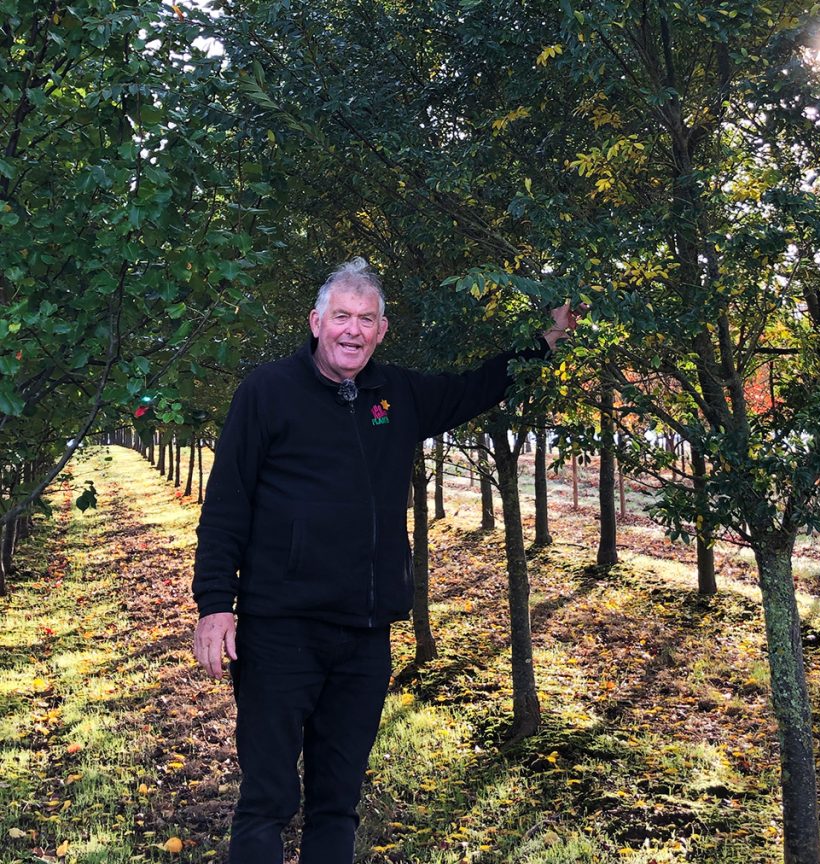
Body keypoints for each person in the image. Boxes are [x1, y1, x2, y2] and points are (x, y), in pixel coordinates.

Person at [192, 257, 576, 864]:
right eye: (341, 316)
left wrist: (546, 341)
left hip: (364, 636)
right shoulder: (267, 392)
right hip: (279, 631)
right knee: (267, 799)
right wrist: (215, 605)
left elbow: (476, 386)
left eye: (365, 319)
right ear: (315, 321)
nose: (353, 330)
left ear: (382, 329)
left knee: (337, 804)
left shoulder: (396, 394)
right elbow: (226, 505)